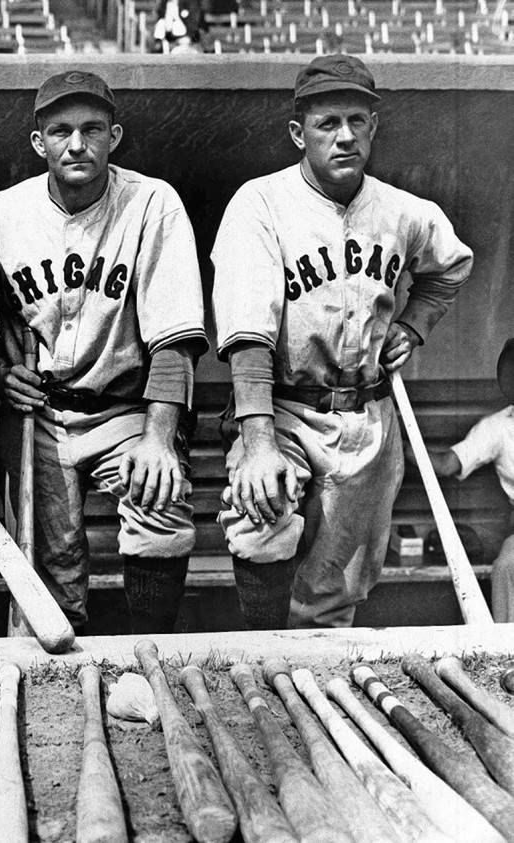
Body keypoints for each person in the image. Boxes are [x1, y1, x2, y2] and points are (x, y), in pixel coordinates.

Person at [211, 54, 473, 629]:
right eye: (328, 123)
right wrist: (257, 442)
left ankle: (317, 690)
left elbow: (449, 267)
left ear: (374, 126)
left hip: (367, 416)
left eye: (357, 120)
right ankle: (262, 659)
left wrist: (415, 324)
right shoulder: (260, 204)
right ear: (298, 133)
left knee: (335, 591)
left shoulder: (406, 212)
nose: (346, 135)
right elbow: (247, 332)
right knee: (261, 518)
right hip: (283, 407)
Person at [0, 71, 208, 633]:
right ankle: (60, 687)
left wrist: (158, 437)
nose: (76, 144)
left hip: (126, 408)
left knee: (160, 502)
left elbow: (177, 336)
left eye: (91, 130)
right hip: (42, 414)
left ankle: (153, 656)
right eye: (60, 131)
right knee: (52, 569)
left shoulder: (153, 203)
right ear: (39, 143)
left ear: (115, 136)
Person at [407, 339, 514, 622]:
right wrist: (398, 443)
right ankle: (505, 652)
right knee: (507, 566)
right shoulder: (497, 427)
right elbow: (445, 464)